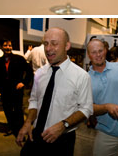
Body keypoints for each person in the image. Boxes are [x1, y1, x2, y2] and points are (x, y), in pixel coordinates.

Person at [18, 25, 93, 155]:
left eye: (54, 44)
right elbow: (34, 100)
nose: (48, 49)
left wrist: (63, 126)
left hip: (62, 139)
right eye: (45, 44)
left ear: (67, 46)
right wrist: (28, 122)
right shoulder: (41, 73)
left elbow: (86, 109)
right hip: (35, 134)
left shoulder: (81, 76)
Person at [0, 40, 30, 139]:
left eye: (10, 45)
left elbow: (29, 71)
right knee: (8, 111)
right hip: (5, 91)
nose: (8, 47)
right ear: (1, 47)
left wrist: (23, 82)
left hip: (17, 90)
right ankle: (12, 127)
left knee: (18, 111)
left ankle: (21, 131)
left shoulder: (19, 59)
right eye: (5, 45)